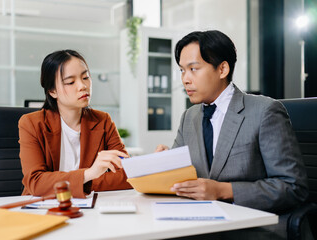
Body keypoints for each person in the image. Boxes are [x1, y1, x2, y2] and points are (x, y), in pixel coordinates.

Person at [156, 30, 309, 238]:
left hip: (253, 227)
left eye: (193, 69)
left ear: (222, 69)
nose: (185, 79)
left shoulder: (265, 111)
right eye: (182, 70)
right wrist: (164, 165)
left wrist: (223, 190)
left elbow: (293, 187)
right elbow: (183, 179)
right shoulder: (188, 118)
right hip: (199, 224)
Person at [19, 49, 131, 198]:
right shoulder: (31, 123)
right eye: (70, 82)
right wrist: (89, 174)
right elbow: (36, 182)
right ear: (52, 91)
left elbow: (127, 174)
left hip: (89, 208)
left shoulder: (103, 121)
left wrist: (80, 182)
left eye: (85, 77)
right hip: (42, 206)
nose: (82, 86)